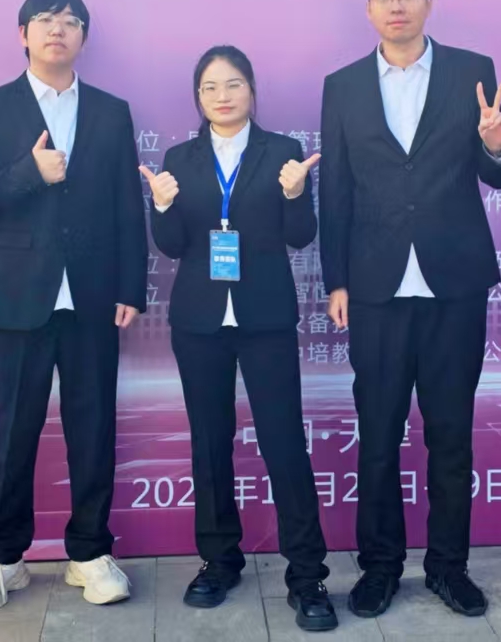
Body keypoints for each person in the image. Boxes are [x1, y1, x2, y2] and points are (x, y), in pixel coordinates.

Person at [318, 0, 501, 619]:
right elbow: (336, 190)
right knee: (377, 437)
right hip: (375, 285)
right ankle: (379, 568)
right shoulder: (343, 86)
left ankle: (448, 568)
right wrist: (337, 280)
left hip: (454, 283)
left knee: (450, 434)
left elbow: (499, 173)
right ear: (369, 8)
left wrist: (495, 144)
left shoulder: (471, 72)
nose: (397, 4)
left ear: (430, 2)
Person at [0, 0, 148, 612]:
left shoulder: (111, 112)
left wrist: (130, 286)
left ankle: (90, 553)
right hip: (18, 297)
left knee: (93, 426)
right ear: (23, 35)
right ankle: (3, 559)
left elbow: (127, 206)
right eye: (44, 19)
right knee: (12, 431)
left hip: (92, 298)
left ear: (83, 36)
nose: (57, 29)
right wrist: (27, 174)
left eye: (69, 21)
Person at [141, 46, 338, 632]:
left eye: (232, 84)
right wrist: (161, 206)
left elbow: (301, 237)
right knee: (209, 442)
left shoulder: (283, 152)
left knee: (284, 442)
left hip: (265, 318)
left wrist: (296, 195)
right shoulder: (179, 158)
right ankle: (219, 561)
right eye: (209, 87)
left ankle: (307, 576)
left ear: (251, 90)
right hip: (199, 321)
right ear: (197, 97)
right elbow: (172, 245)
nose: (222, 96)